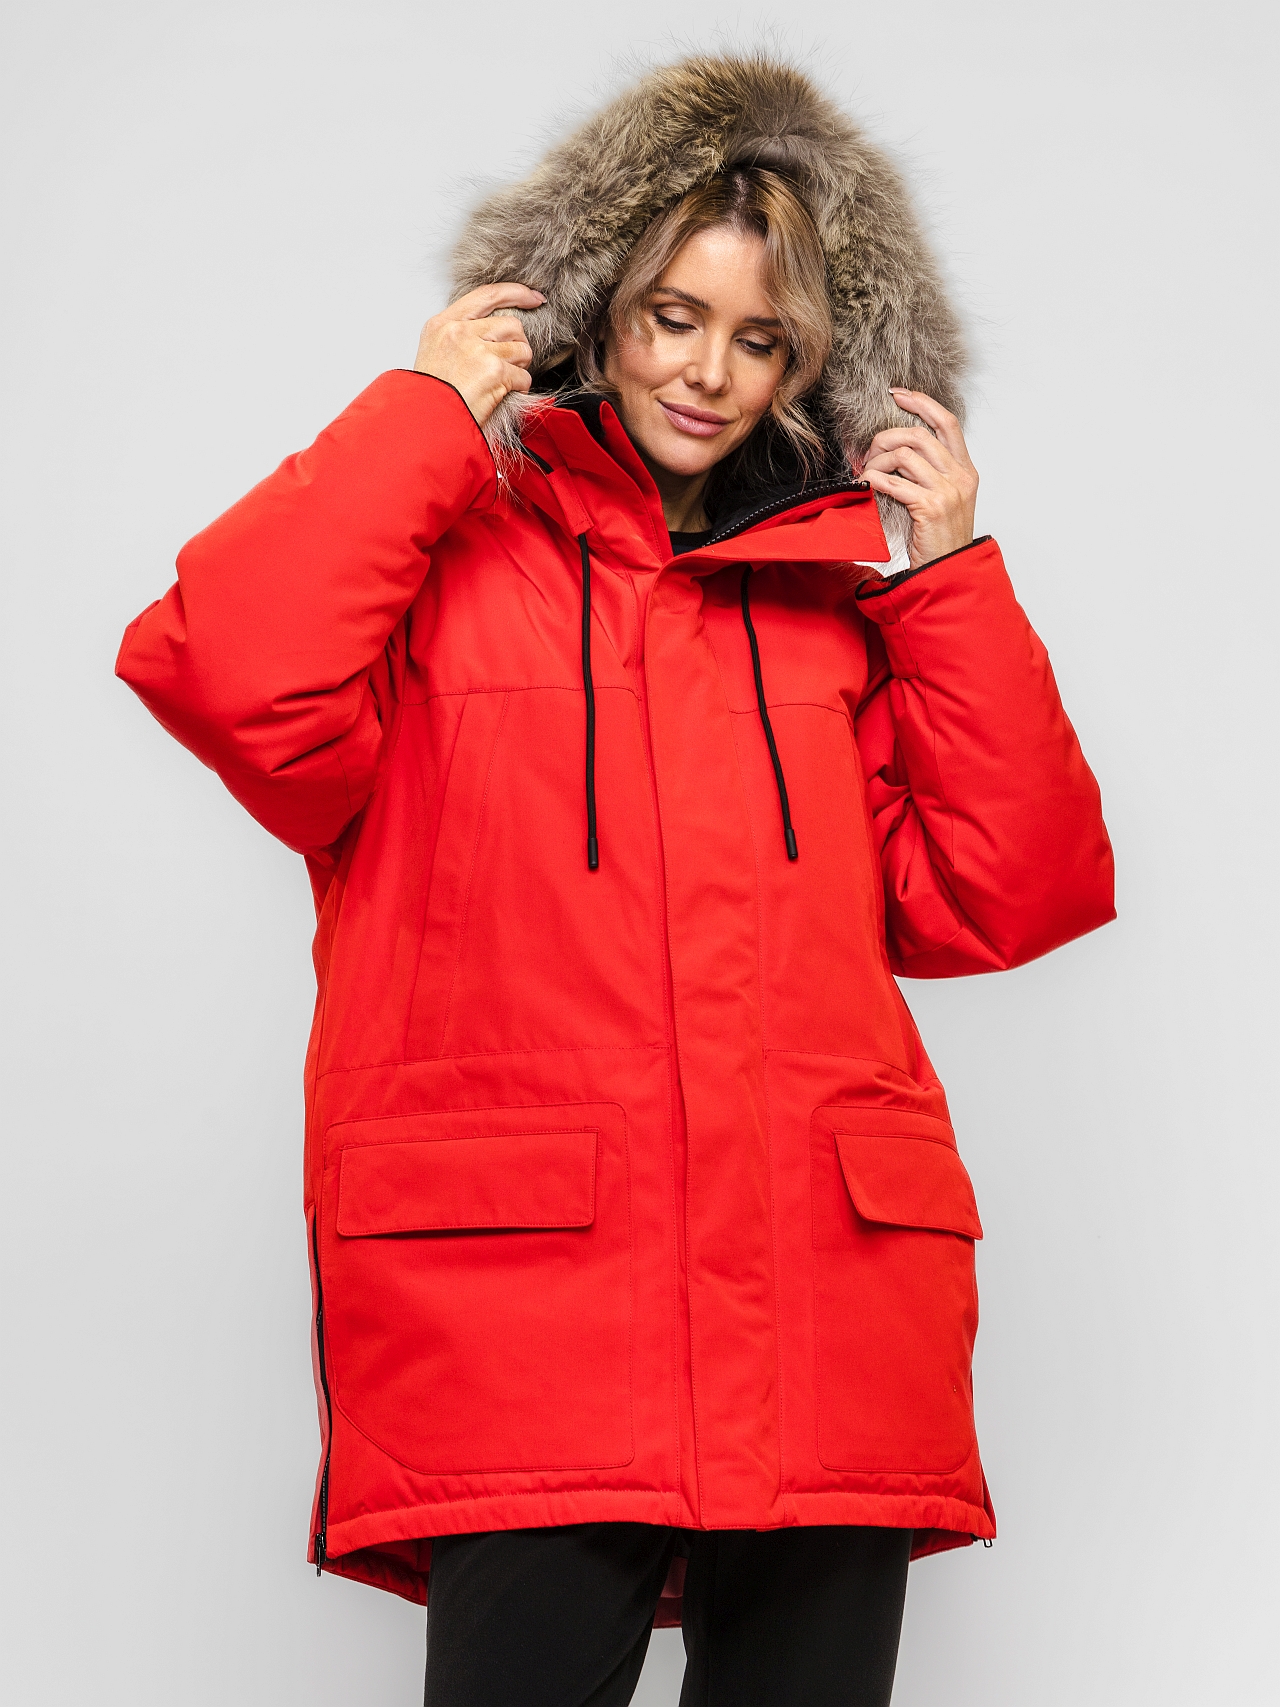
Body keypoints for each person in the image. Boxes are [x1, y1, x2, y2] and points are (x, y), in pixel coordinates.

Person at [117, 53, 1115, 1707]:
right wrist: (426, 413)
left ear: (816, 363)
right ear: (598, 306)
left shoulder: (835, 610)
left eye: (762, 338)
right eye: (672, 316)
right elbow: (229, 674)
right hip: (528, 1312)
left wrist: (947, 580)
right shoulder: (445, 564)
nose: (709, 373)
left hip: (828, 1311)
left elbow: (1011, 889)